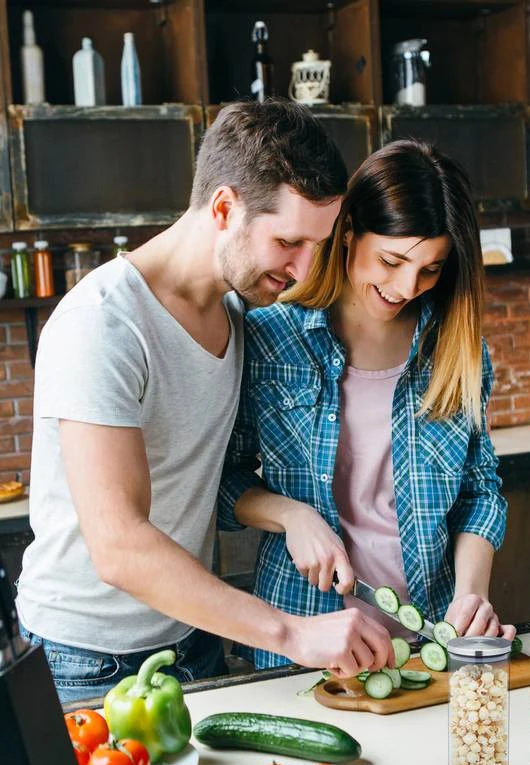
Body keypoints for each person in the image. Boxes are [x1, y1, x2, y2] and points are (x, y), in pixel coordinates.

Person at [15, 99, 394, 704]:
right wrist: (292, 633)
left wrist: (293, 513)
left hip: (194, 639)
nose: (303, 269)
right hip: (85, 661)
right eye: (288, 242)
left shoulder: (239, 313)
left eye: (316, 245)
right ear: (224, 208)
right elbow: (119, 547)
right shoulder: (104, 323)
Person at [218, 139, 515, 669]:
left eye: (431, 269)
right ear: (349, 231)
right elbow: (224, 480)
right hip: (304, 638)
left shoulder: (458, 352)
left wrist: (472, 596)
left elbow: (480, 490)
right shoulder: (269, 337)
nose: (407, 287)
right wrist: (291, 515)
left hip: (432, 644)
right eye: (392, 260)